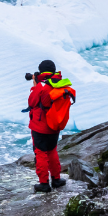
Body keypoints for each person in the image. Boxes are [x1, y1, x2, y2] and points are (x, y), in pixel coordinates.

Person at [26, 59, 71, 193]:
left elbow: (32, 102)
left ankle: (44, 183)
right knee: (52, 151)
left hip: (40, 126)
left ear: (41, 71)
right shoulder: (61, 84)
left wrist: (35, 85)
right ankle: (56, 179)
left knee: (41, 153)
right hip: (55, 124)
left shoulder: (42, 86)